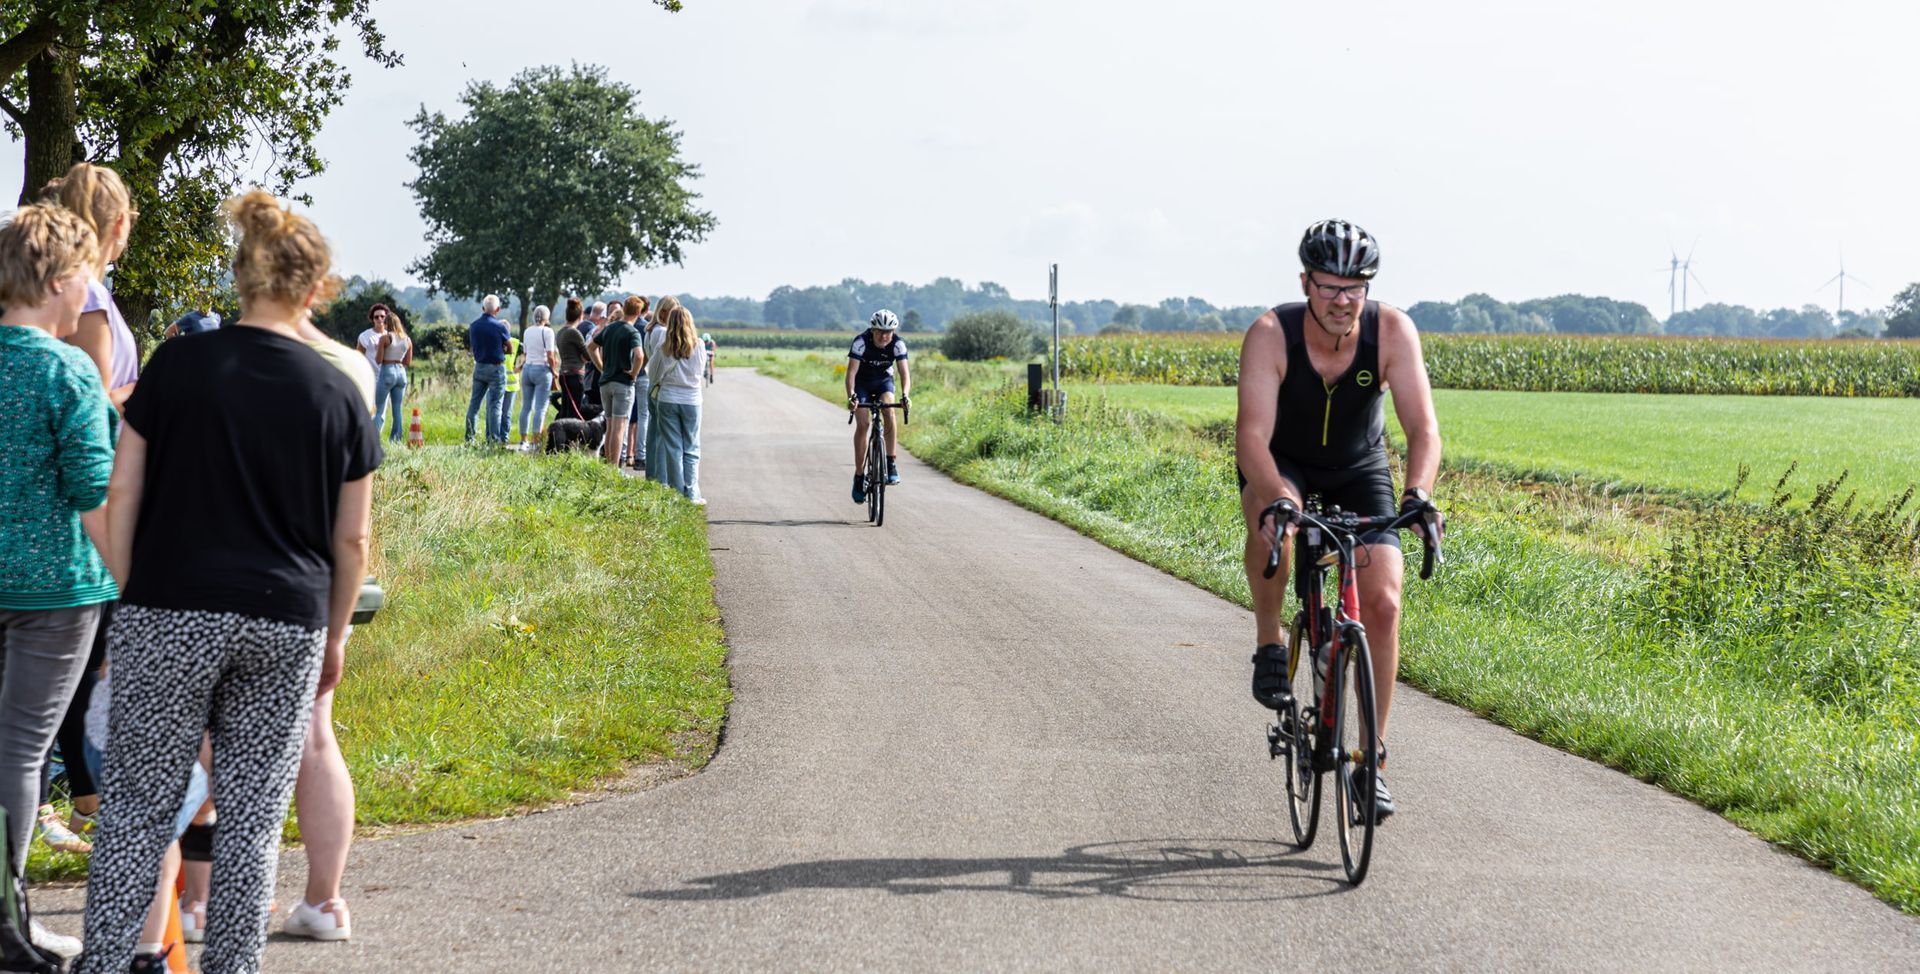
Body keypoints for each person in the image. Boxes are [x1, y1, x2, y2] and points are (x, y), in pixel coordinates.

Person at [73, 190, 379, 974]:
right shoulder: (339, 391)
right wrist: (335, 631)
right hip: (287, 616)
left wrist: (137, 590)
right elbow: (352, 537)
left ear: (238, 280)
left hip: (170, 603)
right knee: (251, 821)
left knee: (138, 811)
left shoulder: (180, 365)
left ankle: (107, 963)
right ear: (315, 290)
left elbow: (121, 491)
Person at [1237, 219, 1441, 823]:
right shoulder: (1272, 334)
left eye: (1355, 286)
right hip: (1285, 463)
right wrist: (1279, 496)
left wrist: (1419, 493)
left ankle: (1369, 762)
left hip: (1359, 466)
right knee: (1272, 521)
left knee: (1383, 602)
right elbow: (1252, 436)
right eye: (1328, 287)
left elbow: (1423, 430)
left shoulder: (1392, 331)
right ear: (1306, 283)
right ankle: (1271, 642)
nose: (1342, 299)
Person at [0, 203, 115, 961]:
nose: (89, 294)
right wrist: (139, 579)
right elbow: (92, 489)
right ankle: (7, 923)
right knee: (20, 751)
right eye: (84, 277)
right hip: (56, 592)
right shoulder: (64, 367)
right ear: (55, 278)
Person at [845, 309, 910, 503]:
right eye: (880, 331)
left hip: (883, 381)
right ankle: (859, 476)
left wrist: (905, 395)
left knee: (889, 409)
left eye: (888, 331)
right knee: (863, 424)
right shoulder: (860, 342)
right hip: (862, 383)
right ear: (872, 330)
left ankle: (890, 463)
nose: (884, 336)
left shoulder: (898, 344)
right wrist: (852, 397)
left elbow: (905, 374)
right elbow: (850, 374)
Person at [645, 306, 707, 503]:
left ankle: (677, 491)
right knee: (691, 447)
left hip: (668, 398)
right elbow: (700, 372)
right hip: (692, 399)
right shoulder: (700, 345)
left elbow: (652, 375)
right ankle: (692, 492)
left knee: (673, 448)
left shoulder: (663, 347)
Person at [588, 300, 640, 469]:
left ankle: (608, 465)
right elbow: (639, 356)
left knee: (610, 426)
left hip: (605, 382)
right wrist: (634, 373)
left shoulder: (610, 328)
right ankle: (613, 469)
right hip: (622, 383)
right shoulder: (632, 331)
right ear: (638, 314)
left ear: (624, 309)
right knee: (619, 427)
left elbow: (591, 347)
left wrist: (601, 368)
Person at [464, 294, 511, 444]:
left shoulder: (474, 325)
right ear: (497, 309)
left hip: (479, 367)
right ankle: (493, 440)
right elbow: (509, 348)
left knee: (474, 405)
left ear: (483, 308)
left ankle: (469, 438)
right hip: (496, 368)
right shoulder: (500, 327)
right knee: (495, 406)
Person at [517, 305, 559, 451]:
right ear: (546, 318)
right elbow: (550, 355)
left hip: (528, 369)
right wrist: (554, 371)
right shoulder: (548, 332)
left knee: (526, 406)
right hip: (542, 369)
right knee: (540, 408)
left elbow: (526, 353)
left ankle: (523, 441)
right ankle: (535, 442)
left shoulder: (527, 331)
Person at [373, 308, 414, 445]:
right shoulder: (407, 339)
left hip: (387, 370)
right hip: (401, 373)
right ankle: (396, 440)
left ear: (386, 323)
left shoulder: (385, 338)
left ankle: (373, 440)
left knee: (379, 409)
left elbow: (378, 360)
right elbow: (408, 362)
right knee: (397, 409)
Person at [620, 296, 652, 469]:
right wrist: (642, 368)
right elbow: (646, 352)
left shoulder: (625, 326)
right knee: (643, 416)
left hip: (627, 374)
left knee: (625, 416)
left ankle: (623, 454)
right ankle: (641, 456)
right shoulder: (646, 328)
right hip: (642, 375)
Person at [553, 298, 592, 421]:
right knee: (575, 410)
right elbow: (588, 355)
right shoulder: (574, 333)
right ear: (581, 316)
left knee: (566, 408)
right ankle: (573, 438)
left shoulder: (560, 332)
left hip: (564, 374)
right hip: (575, 375)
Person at [355, 305, 389, 372]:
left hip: (387, 377)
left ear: (387, 318)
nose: (379, 319)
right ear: (372, 319)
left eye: (382, 316)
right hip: (371, 377)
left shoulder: (391, 335)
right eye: (376, 317)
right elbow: (359, 357)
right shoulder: (364, 336)